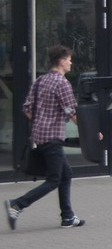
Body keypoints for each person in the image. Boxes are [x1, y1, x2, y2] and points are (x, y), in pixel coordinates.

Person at [6, 45, 85, 230]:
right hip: (52, 138)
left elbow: (27, 109)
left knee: (66, 174)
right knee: (54, 179)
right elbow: (72, 112)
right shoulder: (62, 83)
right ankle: (17, 204)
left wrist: (42, 121)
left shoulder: (40, 80)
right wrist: (91, 131)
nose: (71, 62)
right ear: (61, 61)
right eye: (69, 59)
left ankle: (67, 217)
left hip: (40, 136)